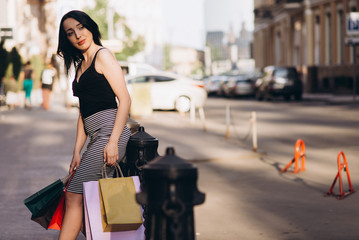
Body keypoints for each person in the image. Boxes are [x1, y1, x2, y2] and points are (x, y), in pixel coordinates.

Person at [56, 10, 131, 239]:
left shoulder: (103, 56)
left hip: (110, 133)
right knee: (84, 198)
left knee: (73, 195)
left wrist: (113, 141)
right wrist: (77, 150)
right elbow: (83, 113)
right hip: (95, 136)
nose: (78, 35)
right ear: (66, 39)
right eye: (71, 32)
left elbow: (125, 99)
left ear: (90, 27)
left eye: (81, 27)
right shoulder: (80, 66)